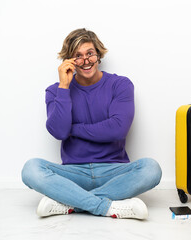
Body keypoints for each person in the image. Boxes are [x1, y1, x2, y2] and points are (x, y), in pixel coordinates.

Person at [21, 28, 162, 220]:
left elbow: (117, 130)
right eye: (78, 56)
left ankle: (70, 204)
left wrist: (74, 128)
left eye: (90, 54)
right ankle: (106, 206)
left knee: (151, 169)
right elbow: (59, 132)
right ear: (68, 60)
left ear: (98, 55)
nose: (86, 61)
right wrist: (64, 86)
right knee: (31, 169)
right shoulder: (55, 91)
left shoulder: (120, 84)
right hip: (73, 173)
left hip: (113, 171)